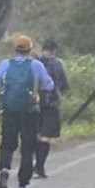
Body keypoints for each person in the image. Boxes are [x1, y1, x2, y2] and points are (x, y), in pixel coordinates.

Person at [0, 35, 54, 188]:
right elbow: (49, 85)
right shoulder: (36, 65)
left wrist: (5, 89)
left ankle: (4, 169)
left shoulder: (6, 64)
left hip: (10, 110)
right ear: (30, 50)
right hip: (30, 111)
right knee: (27, 148)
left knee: (7, 143)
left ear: (15, 49)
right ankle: (23, 186)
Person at [33, 38, 70, 178]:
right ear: (54, 50)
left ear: (42, 49)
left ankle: (33, 165)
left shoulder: (34, 62)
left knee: (36, 134)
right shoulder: (58, 63)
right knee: (46, 136)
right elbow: (64, 85)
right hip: (52, 104)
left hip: (34, 104)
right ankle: (39, 167)